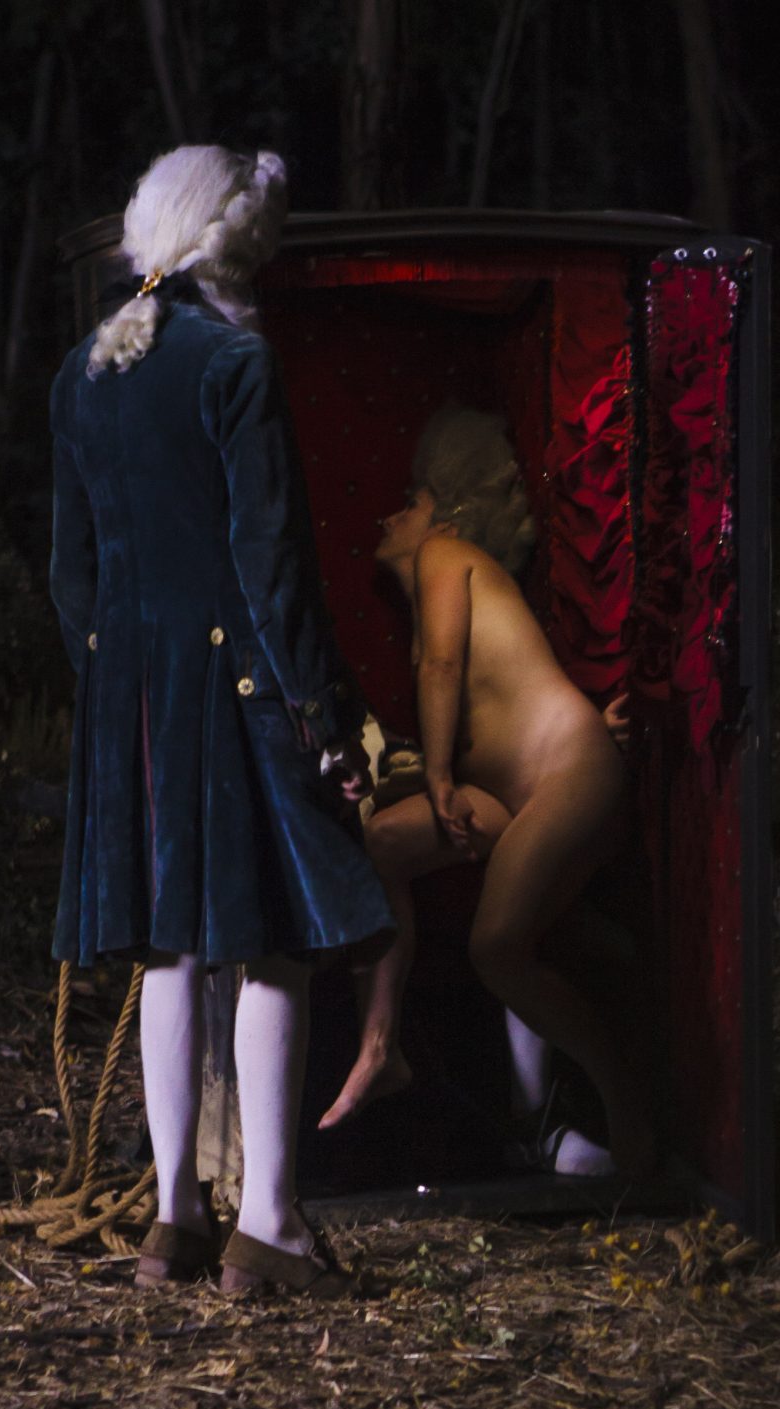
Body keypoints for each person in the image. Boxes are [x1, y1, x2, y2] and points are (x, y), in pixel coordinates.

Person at [49, 145, 389, 1298]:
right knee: (273, 940)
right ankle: (272, 1225)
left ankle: (176, 1220)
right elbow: (270, 564)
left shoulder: (81, 372)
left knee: (171, 949)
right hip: (239, 687)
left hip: (132, 706)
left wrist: (116, 694)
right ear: (235, 246)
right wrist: (324, 717)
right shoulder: (235, 361)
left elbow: (72, 578)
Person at [315, 407, 654, 1178]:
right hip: (519, 791)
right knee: (382, 844)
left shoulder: (446, 554)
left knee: (496, 948)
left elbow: (444, 671)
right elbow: (498, 695)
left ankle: (627, 1107)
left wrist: (438, 778)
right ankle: (381, 1046)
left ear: (451, 511)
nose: (390, 517)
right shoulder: (442, 586)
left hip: (566, 775)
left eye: (412, 501)